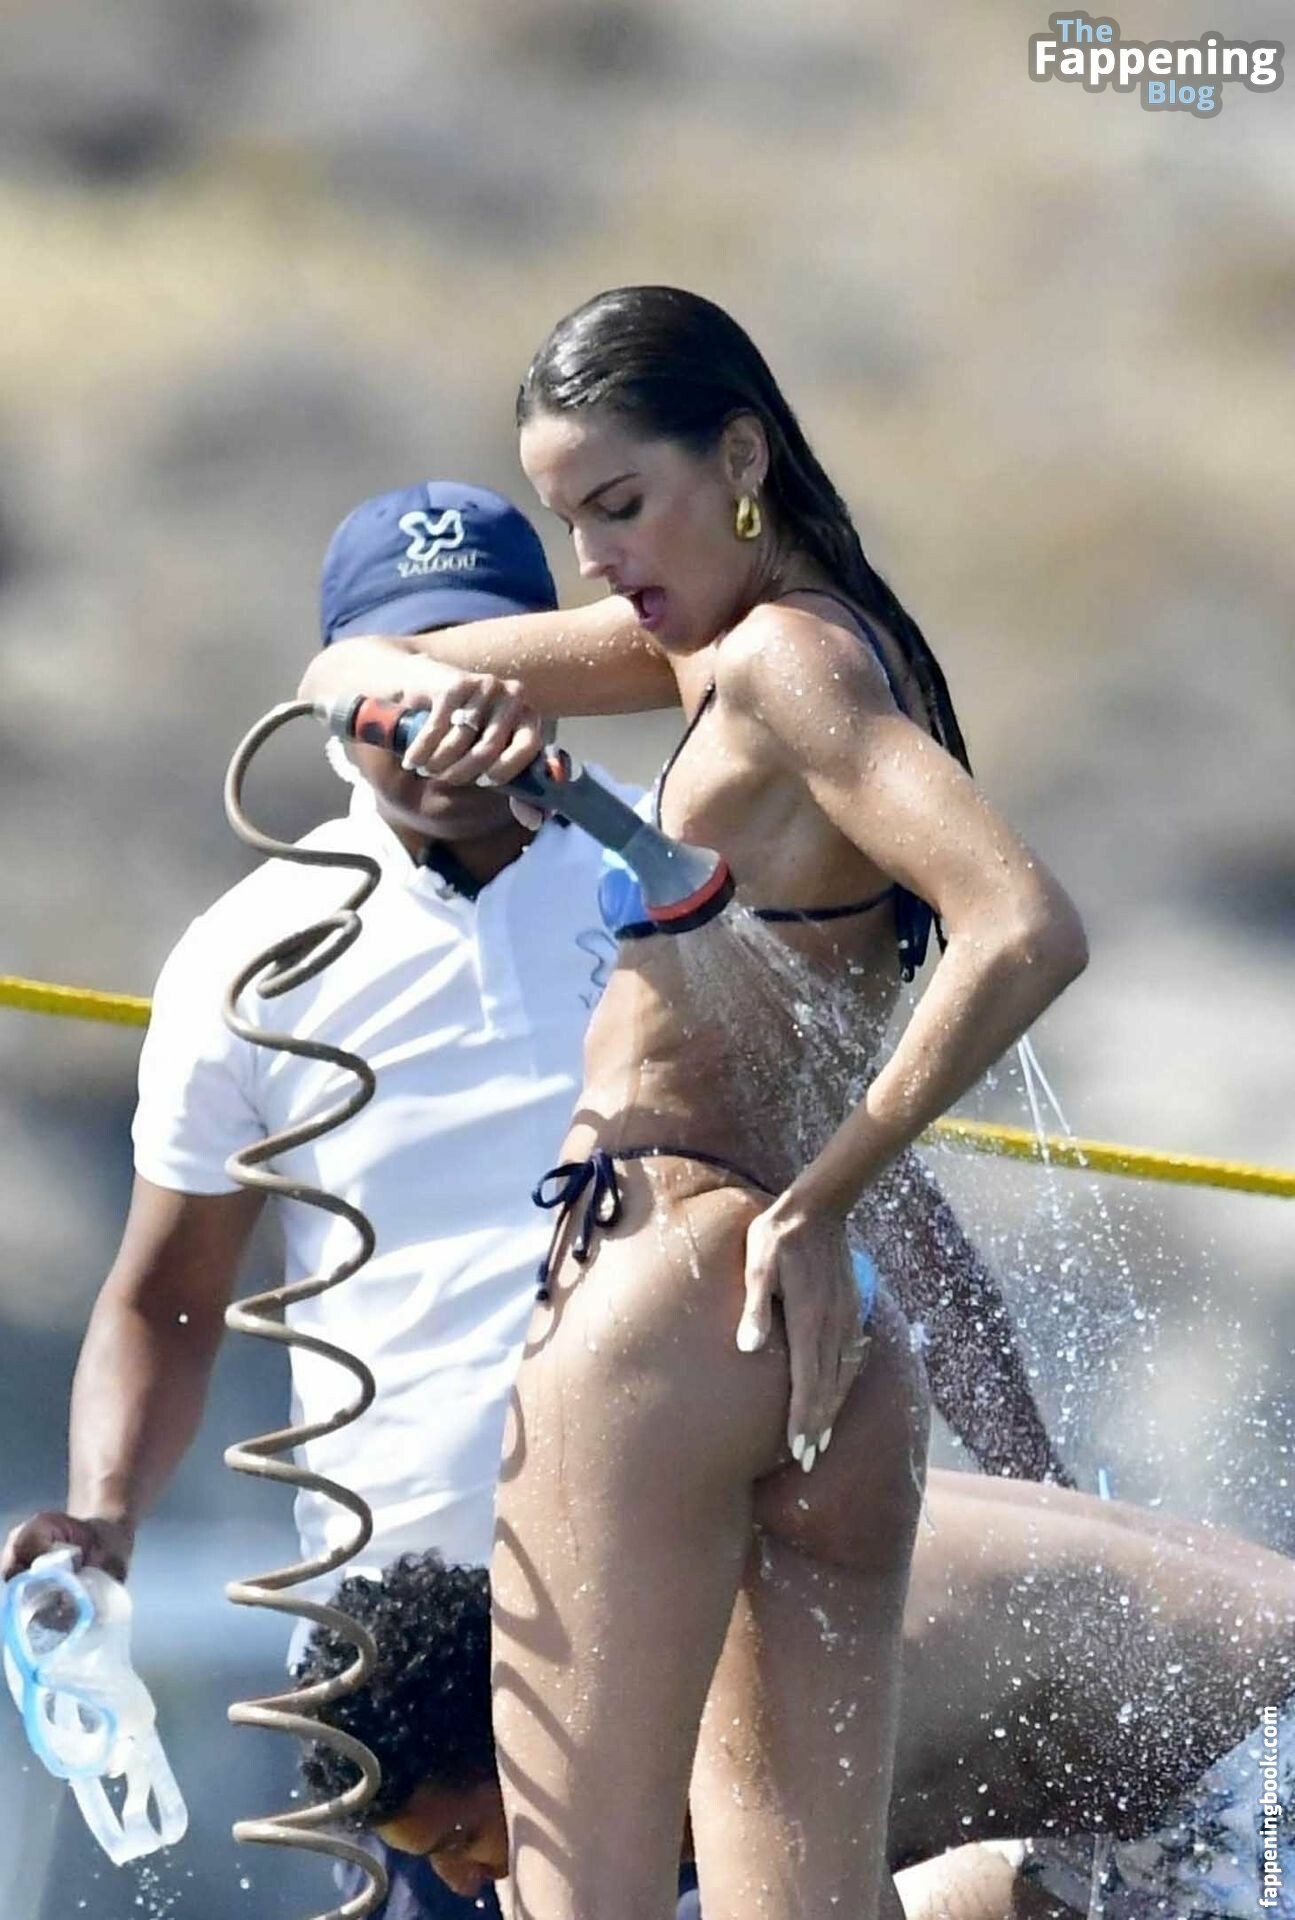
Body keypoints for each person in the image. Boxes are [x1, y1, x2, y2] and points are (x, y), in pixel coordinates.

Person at [5, 478, 1066, 1920]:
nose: (444, 716)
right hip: (408, 1661)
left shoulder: (681, 874)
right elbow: (162, 1296)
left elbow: (881, 1205)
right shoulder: (244, 953)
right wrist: (104, 1518)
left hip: (689, 1589)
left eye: (478, 663)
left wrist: (1040, 1487)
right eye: (408, 675)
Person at [302, 285, 1088, 1920]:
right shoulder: (739, 648)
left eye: (620, 504)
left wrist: (826, 1188)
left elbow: (1023, 926)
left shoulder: (784, 662)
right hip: (830, 1349)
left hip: (666, 1293)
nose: (596, 560)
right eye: (567, 523)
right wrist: (432, 707)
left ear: (738, 457)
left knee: (571, 1893)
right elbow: (350, 666)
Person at [293, 1475, 1295, 1918]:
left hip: (1264, 1764)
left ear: (521, 1741)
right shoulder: (638, 1615)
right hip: (1179, 1784)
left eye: (460, 1840)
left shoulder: (734, 1698)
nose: (462, 1882)